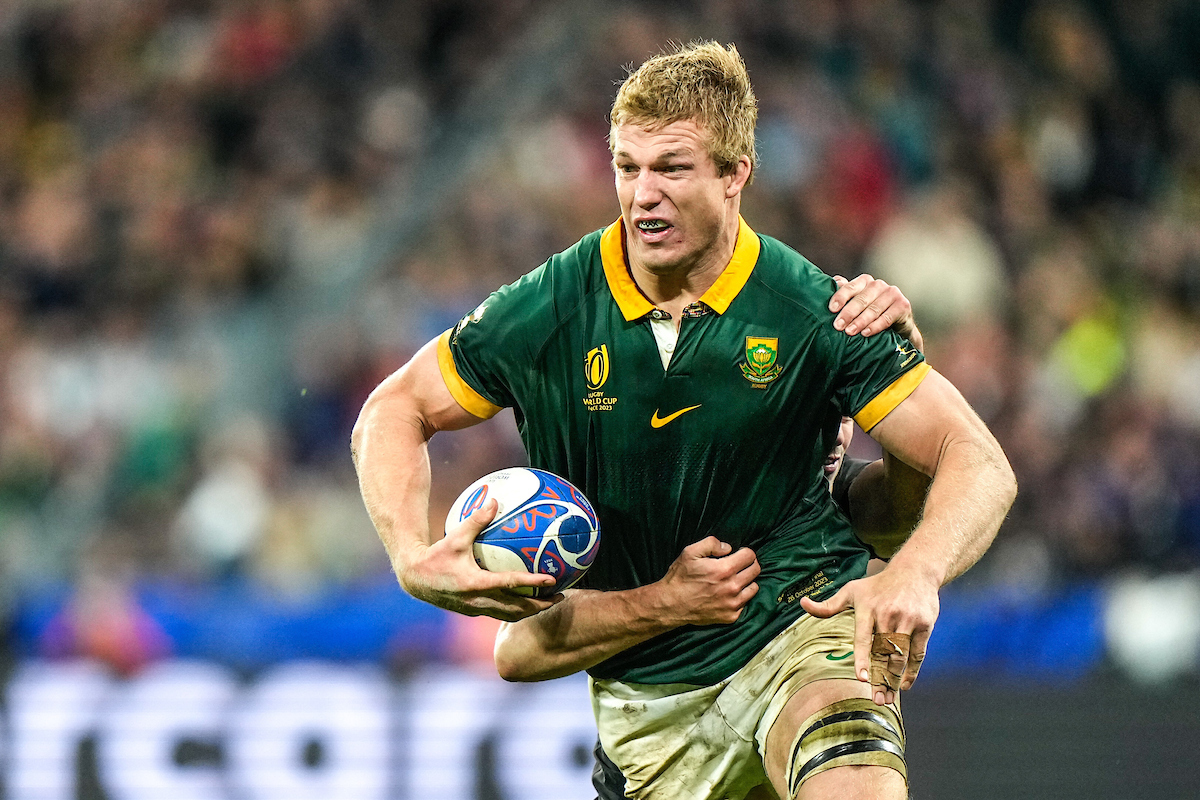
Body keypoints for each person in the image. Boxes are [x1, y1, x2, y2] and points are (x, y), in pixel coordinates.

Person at [352, 41, 1016, 800]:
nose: (643, 196)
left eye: (671, 168)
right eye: (627, 168)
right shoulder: (552, 307)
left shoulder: (816, 312)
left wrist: (916, 573)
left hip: (797, 633)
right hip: (646, 708)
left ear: (736, 176)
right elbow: (393, 408)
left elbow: (977, 458)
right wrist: (408, 553)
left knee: (858, 780)